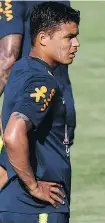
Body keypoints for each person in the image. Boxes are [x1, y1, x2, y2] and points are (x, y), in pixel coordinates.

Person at [0, 2, 80, 223]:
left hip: (14, 206)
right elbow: (13, 135)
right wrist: (34, 187)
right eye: (69, 37)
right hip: (38, 210)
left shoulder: (20, 70)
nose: (76, 44)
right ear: (43, 38)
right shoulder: (42, 82)